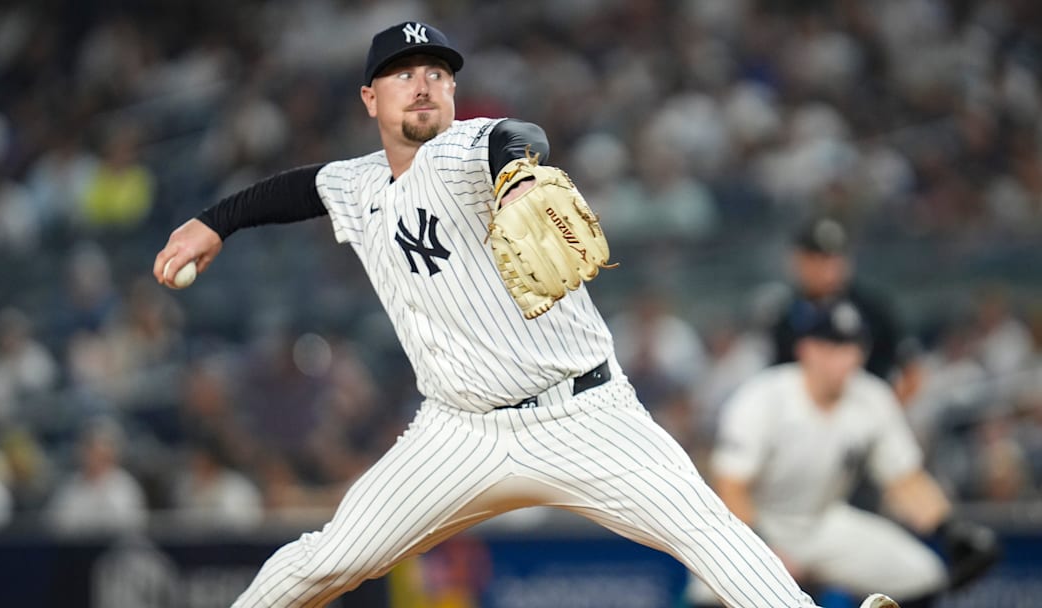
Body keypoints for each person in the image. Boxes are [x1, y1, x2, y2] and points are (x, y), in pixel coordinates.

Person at [153, 21, 902, 608]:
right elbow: (295, 189)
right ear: (369, 99)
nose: (424, 86)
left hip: (585, 415)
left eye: (438, 76)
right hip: (459, 430)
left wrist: (515, 176)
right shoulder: (355, 184)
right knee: (331, 558)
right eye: (404, 76)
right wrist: (215, 222)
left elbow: (517, 136)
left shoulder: (464, 149)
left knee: (704, 529)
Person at [686, 300, 1001, 608]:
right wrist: (764, 550)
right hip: (756, 526)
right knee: (712, 592)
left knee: (921, 574)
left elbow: (905, 479)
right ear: (806, 349)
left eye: (852, 346)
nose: (844, 357)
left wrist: (950, 529)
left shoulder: (872, 397)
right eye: (832, 345)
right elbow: (730, 487)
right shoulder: (764, 397)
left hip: (823, 521)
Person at [766, 216, 923, 403]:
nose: (828, 267)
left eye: (834, 257)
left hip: (863, 419)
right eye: (818, 258)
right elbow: (775, 381)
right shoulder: (784, 317)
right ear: (799, 260)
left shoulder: (873, 310)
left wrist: (886, 411)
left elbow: (912, 372)